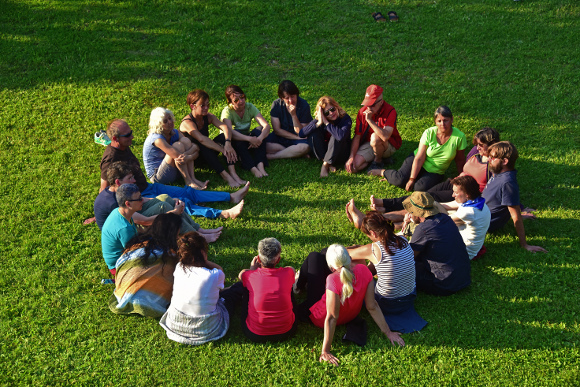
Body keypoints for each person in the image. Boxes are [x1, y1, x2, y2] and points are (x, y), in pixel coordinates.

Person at [100, 119, 248, 220]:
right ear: (115, 139)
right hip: (140, 195)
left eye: (131, 132)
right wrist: (99, 213)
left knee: (188, 192)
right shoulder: (110, 158)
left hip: (149, 186)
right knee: (180, 202)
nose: (132, 136)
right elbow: (105, 191)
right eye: (127, 135)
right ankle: (223, 214)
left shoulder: (124, 147)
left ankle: (230, 197)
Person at [294, 244, 404, 366]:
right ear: (350, 259)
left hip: (318, 317)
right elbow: (372, 306)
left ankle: (297, 285)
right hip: (350, 314)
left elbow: (331, 317)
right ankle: (300, 283)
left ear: (331, 268)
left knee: (314, 256)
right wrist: (388, 332)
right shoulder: (364, 270)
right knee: (321, 254)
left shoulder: (332, 279)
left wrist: (325, 350)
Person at [371, 127, 500, 212]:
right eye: (476, 144)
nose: (477, 148)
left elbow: (501, 186)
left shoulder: (494, 165)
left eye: (481, 145)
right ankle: (385, 203)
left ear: (492, 145)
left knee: (428, 200)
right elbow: (464, 165)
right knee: (422, 196)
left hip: (464, 193)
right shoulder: (475, 152)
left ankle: (388, 208)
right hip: (454, 183)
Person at [94, 161, 222, 242]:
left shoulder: (120, 191)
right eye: (130, 178)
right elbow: (142, 221)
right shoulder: (113, 202)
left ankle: (198, 230)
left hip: (134, 216)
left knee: (165, 199)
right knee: (163, 207)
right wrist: (173, 212)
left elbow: (141, 200)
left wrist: (171, 200)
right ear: (117, 182)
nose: (134, 180)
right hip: (128, 230)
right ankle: (195, 236)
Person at [345, 212, 427, 333]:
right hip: (409, 298)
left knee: (353, 263)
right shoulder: (403, 240)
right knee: (378, 263)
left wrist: (356, 247)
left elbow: (345, 254)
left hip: (388, 303)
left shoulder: (374, 249)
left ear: (373, 233)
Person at [160, 231, 235, 345]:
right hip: (206, 329)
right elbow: (220, 273)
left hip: (175, 325)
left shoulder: (179, 267)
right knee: (231, 294)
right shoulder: (214, 274)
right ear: (202, 252)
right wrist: (203, 260)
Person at [370, 106, 467, 192]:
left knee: (419, 188)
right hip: (417, 160)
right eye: (439, 121)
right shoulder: (429, 133)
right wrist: (412, 178)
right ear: (435, 122)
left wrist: (461, 178)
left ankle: (414, 178)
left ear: (452, 120)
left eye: (446, 120)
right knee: (399, 180)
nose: (443, 124)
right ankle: (383, 172)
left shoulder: (459, 137)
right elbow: (419, 157)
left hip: (436, 171)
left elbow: (460, 160)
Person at [109, 213, 181, 318]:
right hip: (147, 301)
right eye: (177, 233)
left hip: (122, 293)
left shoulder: (138, 244)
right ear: (171, 233)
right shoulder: (169, 256)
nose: (178, 237)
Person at [482, 141, 547, 253]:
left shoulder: (507, 183)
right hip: (479, 210)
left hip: (483, 221)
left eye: (492, 157)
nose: (489, 160)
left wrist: (525, 245)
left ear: (505, 161)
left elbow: (515, 215)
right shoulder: (498, 172)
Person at [403, 192, 471, 296]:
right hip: (463, 278)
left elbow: (409, 258)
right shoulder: (446, 218)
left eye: (410, 211)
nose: (409, 214)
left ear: (416, 213)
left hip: (443, 284)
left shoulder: (423, 229)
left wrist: (404, 232)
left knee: (401, 269)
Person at [180, 89, 245, 187]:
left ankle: (233, 173)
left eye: (208, 104)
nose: (206, 108)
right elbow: (201, 139)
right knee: (202, 144)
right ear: (193, 106)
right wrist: (223, 150)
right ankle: (226, 176)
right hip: (194, 158)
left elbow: (224, 127)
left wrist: (227, 143)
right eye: (202, 105)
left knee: (223, 137)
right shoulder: (187, 123)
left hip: (207, 152)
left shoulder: (208, 116)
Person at [238, 238, 297, 342]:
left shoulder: (248, 275)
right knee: (289, 288)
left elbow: (241, 276)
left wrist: (252, 269)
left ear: (259, 259)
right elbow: (291, 269)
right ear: (278, 260)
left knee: (247, 287)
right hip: (287, 332)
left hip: (254, 334)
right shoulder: (288, 272)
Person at [143, 107, 208, 190]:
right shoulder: (157, 139)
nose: (170, 122)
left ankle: (193, 178)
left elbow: (195, 147)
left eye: (170, 118)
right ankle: (189, 182)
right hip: (158, 176)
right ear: (158, 125)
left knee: (185, 141)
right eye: (165, 121)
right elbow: (179, 156)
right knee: (178, 146)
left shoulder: (174, 132)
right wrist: (191, 155)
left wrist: (191, 153)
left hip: (175, 169)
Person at [345, 84, 402, 173]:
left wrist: (369, 120)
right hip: (369, 144)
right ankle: (379, 159)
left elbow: (385, 137)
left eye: (372, 105)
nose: (368, 107)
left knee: (375, 138)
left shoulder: (390, 111)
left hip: (387, 144)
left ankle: (378, 161)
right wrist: (351, 157)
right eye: (367, 104)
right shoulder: (362, 112)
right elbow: (357, 136)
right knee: (352, 168)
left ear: (381, 102)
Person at [220, 85, 270, 178]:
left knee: (259, 132)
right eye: (236, 100)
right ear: (230, 102)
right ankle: (252, 168)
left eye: (242, 97)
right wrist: (249, 139)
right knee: (239, 138)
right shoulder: (227, 111)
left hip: (246, 138)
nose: (241, 101)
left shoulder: (249, 107)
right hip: (232, 141)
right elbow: (229, 131)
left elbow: (266, 126)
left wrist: (259, 139)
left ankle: (260, 165)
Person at [299, 96, 352, 177]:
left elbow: (341, 137)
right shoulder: (321, 119)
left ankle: (325, 166)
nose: (331, 113)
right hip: (325, 153)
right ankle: (326, 161)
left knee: (336, 135)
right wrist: (319, 123)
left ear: (336, 107)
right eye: (327, 113)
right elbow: (301, 134)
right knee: (313, 133)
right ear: (322, 114)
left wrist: (327, 123)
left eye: (332, 109)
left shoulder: (345, 118)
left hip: (341, 153)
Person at [440, 175, 491, 260]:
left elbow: (440, 222)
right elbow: (447, 206)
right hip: (470, 244)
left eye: (456, 192)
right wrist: (432, 203)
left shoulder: (469, 212)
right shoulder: (476, 201)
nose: (453, 195)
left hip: (464, 252)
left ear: (467, 194)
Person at [101, 184, 142, 275]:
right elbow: (135, 254)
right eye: (139, 199)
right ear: (128, 204)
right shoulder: (124, 229)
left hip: (123, 255)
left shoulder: (119, 211)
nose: (142, 200)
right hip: (118, 266)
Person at [266, 80, 313, 160]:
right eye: (287, 98)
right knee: (262, 145)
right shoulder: (276, 105)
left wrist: (294, 115)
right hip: (281, 137)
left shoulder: (304, 105)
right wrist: (296, 138)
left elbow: (300, 133)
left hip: (299, 139)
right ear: (282, 97)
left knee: (305, 147)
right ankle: (292, 152)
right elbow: (277, 130)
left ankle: (274, 156)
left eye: (293, 96)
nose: (291, 100)